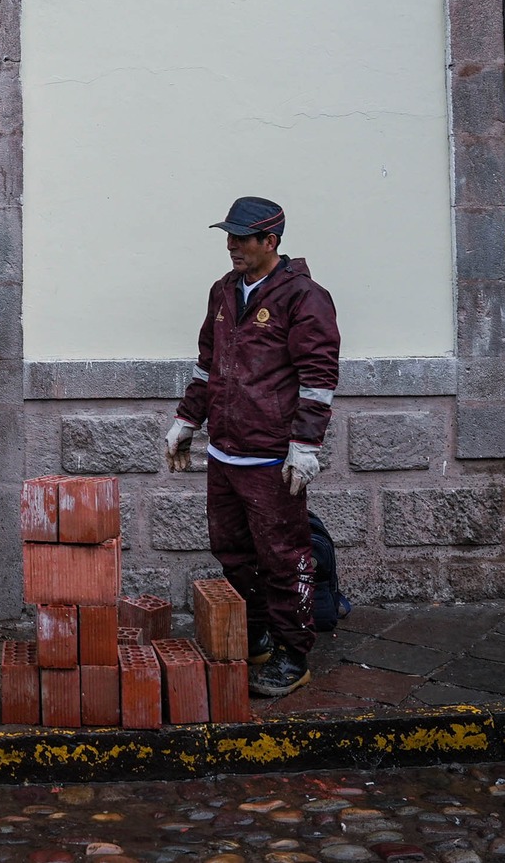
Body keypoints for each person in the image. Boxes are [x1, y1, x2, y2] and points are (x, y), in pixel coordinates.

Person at [164, 196, 339, 699]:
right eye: (229, 236)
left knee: (284, 558)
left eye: (242, 238)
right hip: (224, 452)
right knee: (234, 552)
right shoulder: (223, 292)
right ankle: (260, 634)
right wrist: (187, 420)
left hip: (270, 457)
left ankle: (293, 653)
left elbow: (318, 377)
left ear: (271, 242)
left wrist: (305, 445)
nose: (232, 245)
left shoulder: (304, 297)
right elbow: (207, 364)